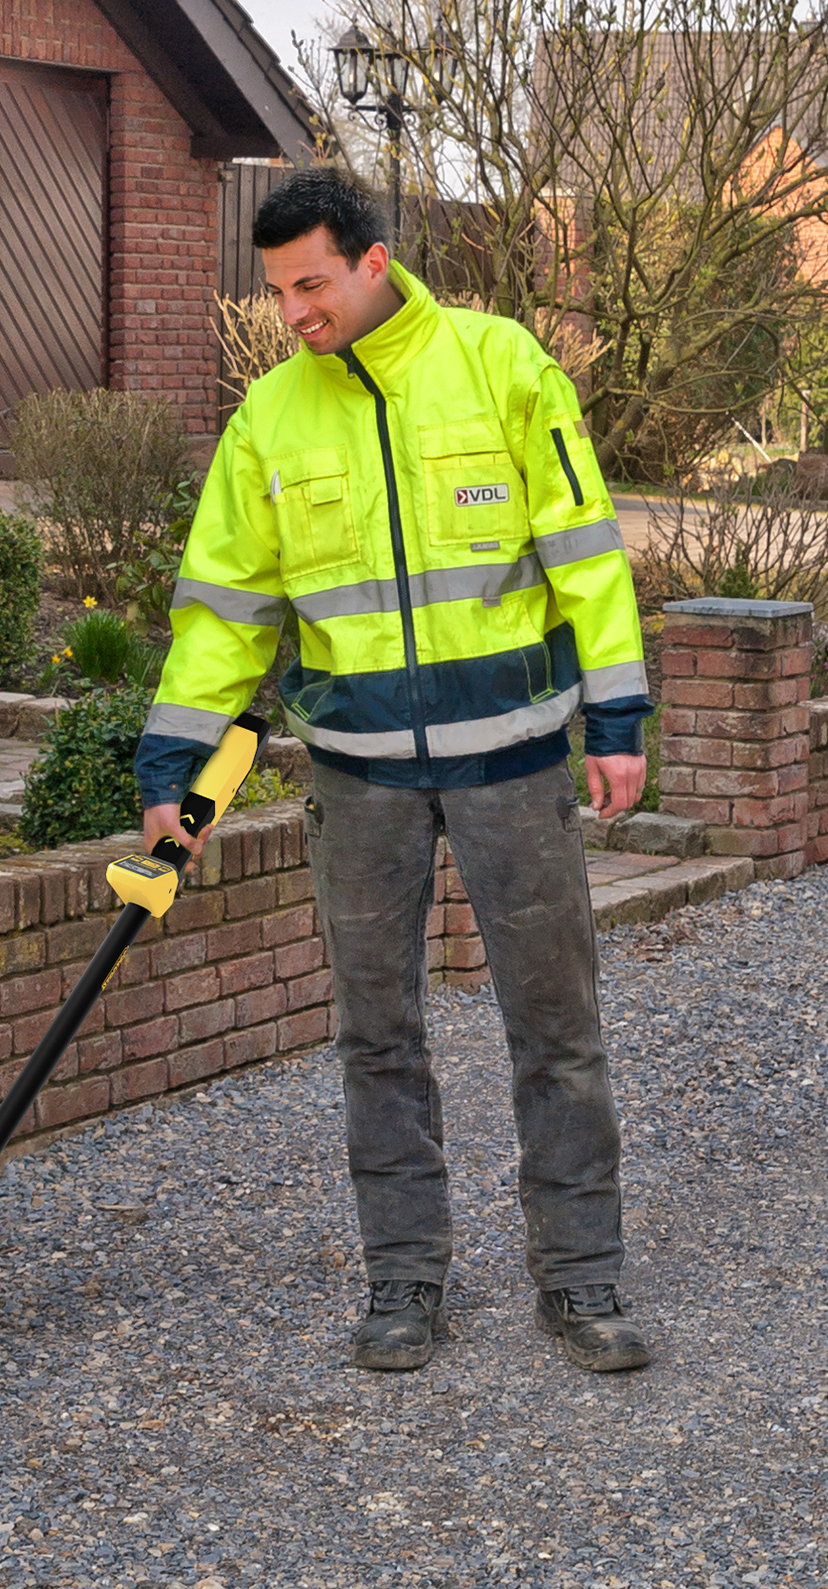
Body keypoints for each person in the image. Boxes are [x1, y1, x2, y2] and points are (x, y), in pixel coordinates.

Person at [134, 168, 653, 1374]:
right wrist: (172, 762)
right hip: (356, 778)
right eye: (277, 292)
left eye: (310, 284)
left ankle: (580, 1277)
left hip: (513, 763)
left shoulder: (498, 362)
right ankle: (403, 1277)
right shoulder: (269, 418)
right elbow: (224, 611)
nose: (293, 312)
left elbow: (585, 556)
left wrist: (617, 717)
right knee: (376, 1035)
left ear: (373, 262)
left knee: (555, 1027)